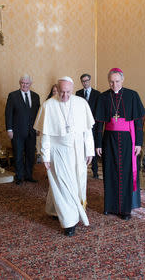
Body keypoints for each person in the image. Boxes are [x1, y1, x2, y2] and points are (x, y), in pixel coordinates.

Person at [34, 76, 95, 237]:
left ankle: (54, 210)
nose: (65, 95)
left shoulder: (81, 103)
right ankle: (69, 222)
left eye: (68, 92)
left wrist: (90, 150)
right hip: (58, 151)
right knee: (63, 184)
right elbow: (45, 135)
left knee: (77, 182)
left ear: (72, 89)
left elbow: (87, 131)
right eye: (62, 92)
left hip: (78, 151)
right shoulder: (48, 105)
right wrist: (45, 156)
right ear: (57, 89)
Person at [95, 68, 145, 221]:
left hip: (127, 140)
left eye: (117, 81)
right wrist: (98, 144)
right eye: (111, 81)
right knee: (110, 172)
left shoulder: (132, 95)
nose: (114, 84)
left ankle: (125, 209)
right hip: (109, 139)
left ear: (122, 80)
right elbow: (98, 124)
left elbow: (138, 122)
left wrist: (138, 142)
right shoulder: (103, 97)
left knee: (125, 174)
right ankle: (110, 206)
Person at [5, 75, 40, 184]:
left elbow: (38, 114)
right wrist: (9, 129)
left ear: (30, 84)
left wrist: (38, 128)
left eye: (27, 83)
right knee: (18, 154)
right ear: (20, 83)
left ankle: (28, 175)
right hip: (17, 131)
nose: (24, 85)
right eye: (22, 83)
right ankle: (19, 176)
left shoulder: (35, 96)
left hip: (32, 131)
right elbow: (8, 114)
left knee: (30, 154)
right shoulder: (13, 96)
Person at [75, 73, 101, 179]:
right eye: (83, 81)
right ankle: (81, 170)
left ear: (90, 81)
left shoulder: (97, 94)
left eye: (86, 81)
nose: (85, 83)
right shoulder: (78, 93)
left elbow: (98, 110)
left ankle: (95, 171)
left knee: (93, 147)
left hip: (93, 124)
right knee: (81, 148)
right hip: (81, 125)